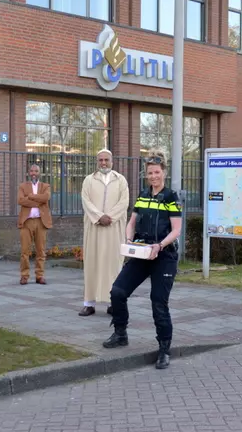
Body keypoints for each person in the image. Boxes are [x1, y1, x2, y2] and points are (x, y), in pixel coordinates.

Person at [102, 151, 182, 370]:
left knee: (158, 301)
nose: (154, 176)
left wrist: (160, 245)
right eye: (150, 173)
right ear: (146, 175)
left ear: (163, 172)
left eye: (157, 172)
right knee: (117, 291)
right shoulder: (143, 195)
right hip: (141, 252)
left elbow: (177, 230)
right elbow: (131, 222)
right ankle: (120, 334)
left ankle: (164, 350)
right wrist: (129, 240)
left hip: (163, 255)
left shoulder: (171, 197)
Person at [79, 149, 129, 316]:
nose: (103, 163)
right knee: (92, 264)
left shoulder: (121, 180)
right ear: (97, 161)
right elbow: (86, 202)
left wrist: (110, 217)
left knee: (114, 265)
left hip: (114, 229)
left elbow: (124, 202)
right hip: (94, 229)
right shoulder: (88, 180)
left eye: (106, 160)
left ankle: (112, 303)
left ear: (112, 161)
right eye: (100, 160)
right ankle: (89, 303)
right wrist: (99, 217)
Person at [17, 164, 52, 285]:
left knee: (41, 251)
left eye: (36, 171)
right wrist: (38, 201)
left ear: (39, 172)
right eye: (31, 171)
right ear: (28, 172)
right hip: (26, 221)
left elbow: (46, 198)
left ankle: (39, 275)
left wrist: (31, 197)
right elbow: (21, 200)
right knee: (24, 251)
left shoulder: (45, 186)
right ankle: (24, 276)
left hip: (41, 221)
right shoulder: (23, 186)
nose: (33, 173)